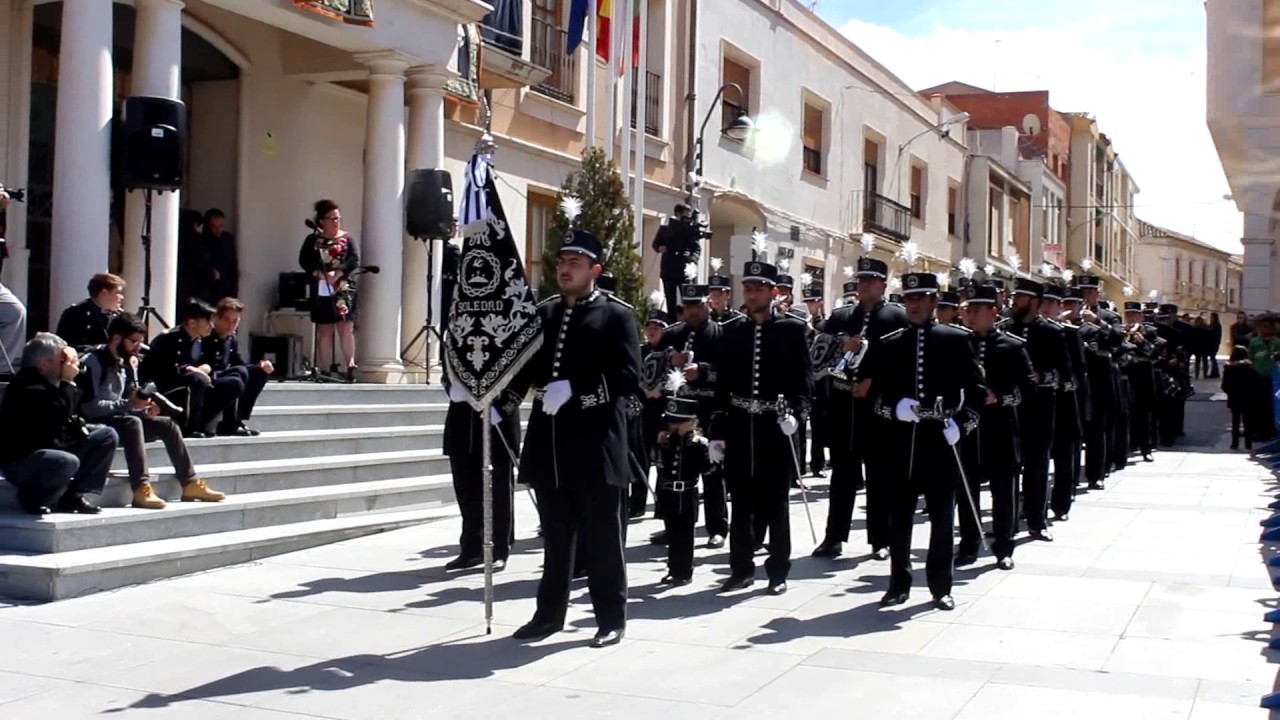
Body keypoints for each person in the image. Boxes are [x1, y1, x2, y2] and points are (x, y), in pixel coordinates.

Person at [510, 226, 641, 648]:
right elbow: (525, 368)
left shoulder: (616, 315)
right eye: (562, 262)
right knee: (556, 537)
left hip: (596, 444)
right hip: (551, 444)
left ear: (594, 270)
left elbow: (628, 377)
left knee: (602, 539)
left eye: (575, 263)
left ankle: (611, 618)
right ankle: (548, 616)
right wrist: (499, 400)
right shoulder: (545, 313)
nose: (564, 269)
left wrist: (578, 390)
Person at [861, 272, 984, 610]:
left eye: (919, 298)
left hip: (940, 442)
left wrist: (961, 424)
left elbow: (976, 394)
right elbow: (873, 396)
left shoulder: (956, 340)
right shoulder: (891, 343)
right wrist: (894, 408)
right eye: (908, 299)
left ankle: (941, 586)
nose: (913, 305)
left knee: (942, 518)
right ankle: (898, 583)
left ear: (934, 301)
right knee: (898, 517)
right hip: (900, 442)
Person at [713, 259, 814, 596]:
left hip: (775, 428)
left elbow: (804, 385)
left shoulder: (791, 331)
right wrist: (717, 431)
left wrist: (796, 415)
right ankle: (741, 569)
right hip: (741, 427)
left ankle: (778, 571)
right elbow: (723, 387)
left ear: (773, 292)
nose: (752, 294)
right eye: (748, 288)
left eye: (758, 289)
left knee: (776, 504)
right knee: (741, 503)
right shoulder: (733, 331)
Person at [79, 313, 226, 509]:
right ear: (116, 338)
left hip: (120, 419)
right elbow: (89, 408)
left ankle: (190, 482)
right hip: (96, 424)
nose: (138, 347)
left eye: (140, 342)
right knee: (132, 423)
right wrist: (129, 405)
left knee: (167, 425)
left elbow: (128, 399)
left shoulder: (127, 362)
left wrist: (144, 408)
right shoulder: (93, 361)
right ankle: (141, 487)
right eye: (133, 341)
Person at [812, 256, 906, 560]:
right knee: (841, 475)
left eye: (870, 280)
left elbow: (902, 364)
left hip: (877, 409)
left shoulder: (896, 317)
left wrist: (874, 384)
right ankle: (833, 537)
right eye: (861, 279)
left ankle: (881, 540)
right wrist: (842, 347)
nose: (864, 285)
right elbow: (819, 358)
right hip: (843, 407)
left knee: (880, 475)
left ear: (882, 284)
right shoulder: (841, 317)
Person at [957, 284, 1035, 569]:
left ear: (993, 311)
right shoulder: (959, 343)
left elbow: (1029, 389)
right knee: (966, 491)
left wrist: (1000, 397)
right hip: (967, 430)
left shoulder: (1012, 346)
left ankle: (1004, 547)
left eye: (977, 310)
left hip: (1000, 429)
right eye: (968, 310)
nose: (970, 316)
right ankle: (968, 544)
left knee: (1003, 492)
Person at [0, 333, 118, 515]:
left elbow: (73, 411)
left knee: (106, 435)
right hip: (23, 461)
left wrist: (72, 380)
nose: (68, 365)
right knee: (66, 461)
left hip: (53, 447)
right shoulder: (26, 387)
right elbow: (55, 416)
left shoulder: (52, 383)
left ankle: (73, 495)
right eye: (62, 360)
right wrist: (67, 382)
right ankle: (33, 497)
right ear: (43, 364)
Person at [658, 284, 728, 548]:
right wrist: (670, 360)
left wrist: (703, 371)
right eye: (687, 307)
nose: (692, 311)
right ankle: (673, 525)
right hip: (676, 414)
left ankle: (717, 526)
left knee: (712, 470)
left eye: (697, 306)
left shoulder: (720, 334)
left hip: (708, 412)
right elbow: (654, 366)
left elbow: (729, 372)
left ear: (706, 305)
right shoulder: (672, 334)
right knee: (672, 470)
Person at [1002, 278, 1071, 541]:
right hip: (1010, 408)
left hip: (1040, 408)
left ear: (1034, 301)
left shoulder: (1051, 332)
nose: (1014, 301)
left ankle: (1036, 520)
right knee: (1007, 468)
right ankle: (1006, 523)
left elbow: (1065, 375)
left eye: (1020, 297)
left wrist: (1041, 377)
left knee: (1037, 466)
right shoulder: (1005, 329)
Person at [442, 368, 522, 572]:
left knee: (499, 492)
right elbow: (448, 368)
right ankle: (471, 548)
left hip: (496, 419)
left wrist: (504, 407)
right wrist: (450, 388)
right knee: (466, 490)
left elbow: (520, 376)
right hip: (463, 422)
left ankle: (499, 549)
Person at [140, 300, 245, 438]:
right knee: (197, 379)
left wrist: (205, 368)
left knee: (233, 383)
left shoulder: (199, 339)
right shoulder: (171, 338)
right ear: (192, 323)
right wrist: (191, 369)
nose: (211, 326)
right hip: (166, 388)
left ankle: (205, 423)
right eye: (208, 322)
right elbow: (167, 370)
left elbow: (209, 363)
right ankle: (188, 427)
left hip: (194, 385)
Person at [299, 199, 359, 382]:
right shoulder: (313, 240)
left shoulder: (347, 238)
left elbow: (354, 259)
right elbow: (304, 260)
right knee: (325, 329)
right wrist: (317, 272)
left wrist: (339, 272)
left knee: (345, 327)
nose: (336, 221)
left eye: (338, 218)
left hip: (342, 286)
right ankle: (324, 369)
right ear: (321, 220)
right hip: (321, 285)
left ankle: (350, 366)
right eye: (332, 218)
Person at [1042, 283, 1088, 522]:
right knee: (1036, 460)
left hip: (1063, 402)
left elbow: (1078, 372)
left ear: (1059, 306)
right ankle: (1034, 504)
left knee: (1063, 457)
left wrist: (1056, 381)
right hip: (1038, 404)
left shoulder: (1069, 333)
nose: (1045, 308)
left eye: (1050, 303)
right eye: (1042, 302)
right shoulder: (1031, 332)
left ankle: (1061, 504)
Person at [654, 396, 712, 585]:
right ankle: (673, 568)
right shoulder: (667, 441)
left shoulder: (698, 443)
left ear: (691, 422)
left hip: (687, 492)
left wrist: (712, 455)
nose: (674, 426)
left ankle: (684, 571)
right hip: (669, 492)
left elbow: (707, 468)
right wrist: (659, 443)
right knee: (672, 533)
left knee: (685, 535)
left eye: (679, 423)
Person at [204, 298, 272, 436]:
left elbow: (238, 362)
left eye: (235, 321)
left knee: (258, 372)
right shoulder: (206, 335)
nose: (231, 325)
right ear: (217, 318)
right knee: (238, 375)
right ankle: (229, 422)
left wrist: (260, 365)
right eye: (227, 320)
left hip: (230, 376)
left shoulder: (231, 339)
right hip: (211, 377)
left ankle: (238, 418)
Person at [651, 204, 700, 322]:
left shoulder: (690, 229)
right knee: (670, 300)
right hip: (669, 269)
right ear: (678, 213)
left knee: (687, 299)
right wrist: (659, 247)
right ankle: (671, 323)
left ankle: (689, 321)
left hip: (685, 270)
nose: (687, 216)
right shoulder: (665, 228)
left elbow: (697, 249)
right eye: (685, 213)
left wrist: (692, 260)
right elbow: (655, 244)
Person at [55, 273, 126, 352]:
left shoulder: (120, 317)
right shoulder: (75, 314)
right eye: (118, 292)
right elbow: (64, 346)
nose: (122, 297)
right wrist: (100, 348)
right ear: (104, 293)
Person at [1222, 345, 1255, 451]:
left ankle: (1234, 443)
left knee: (1235, 421)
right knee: (1248, 421)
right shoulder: (1249, 367)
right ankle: (1248, 443)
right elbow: (1254, 383)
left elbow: (1224, 385)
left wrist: (1230, 392)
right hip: (1248, 397)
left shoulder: (1228, 368)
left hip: (1234, 397)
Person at [203, 209, 240, 303]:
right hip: (207, 290)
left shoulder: (227, 239)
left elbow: (233, 266)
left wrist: (234, 294)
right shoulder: (202, 240)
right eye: (214, 226)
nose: (218, 230)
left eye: (221, 226)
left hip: (225, 288)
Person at [1207, 312, 1223, 378]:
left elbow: (1212, 333)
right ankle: (1214, 372)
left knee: (1213, 357)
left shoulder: (1216, 325)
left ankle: (1215, 372)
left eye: (1212, 317)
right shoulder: (1215, 325)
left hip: (1214, 344)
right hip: (1213, 344)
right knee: (1212, 358)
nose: (1211, 319)